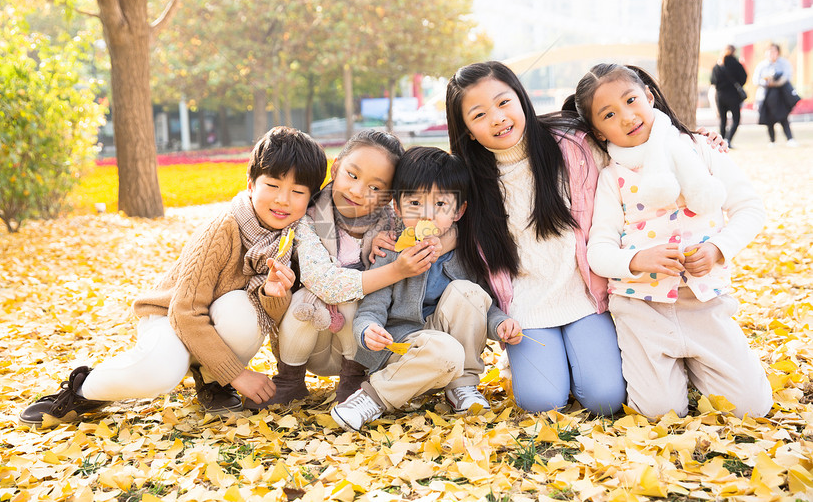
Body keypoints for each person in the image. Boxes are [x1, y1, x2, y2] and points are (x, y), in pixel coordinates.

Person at [19, 126, 328, 427]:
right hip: (170, 316)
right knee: (162, 373)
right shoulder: (223, 229)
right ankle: (82, 389)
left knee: (245, 314)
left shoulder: (291, 240)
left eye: (297, 191)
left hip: (213, 322)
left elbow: (268, 318)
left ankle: (211, 380)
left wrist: (274, 296)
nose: (283, 200)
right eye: (272, 185)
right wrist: (238, 374)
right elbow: (185, 311)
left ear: (309, 198)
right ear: (251, 184)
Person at [574, 63, 772, 420]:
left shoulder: (699, 149)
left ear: (649, 97)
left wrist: (717, 249)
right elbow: (598, 251)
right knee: (657, 413)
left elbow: (750, 208)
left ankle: (702, 366)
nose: (627, 116)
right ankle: (672, 373)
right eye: (609, 114)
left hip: (704, 302)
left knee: (751, 408)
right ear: (597, 132)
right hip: (641, 309)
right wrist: (636, 260)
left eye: (632, 100)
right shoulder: (611, 178)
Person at [444, 61, 627, 417]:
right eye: (479, 114)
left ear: (520, 98)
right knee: (542, 402)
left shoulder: (572, 146)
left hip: (584, 296)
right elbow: (422, 205)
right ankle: (552, 364)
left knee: (605, 398)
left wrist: (694, 142)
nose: (497, 118)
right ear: (466, 129)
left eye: (503, 102)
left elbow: (634, 152)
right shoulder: (468, 181)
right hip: (525, 308)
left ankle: (579, 360)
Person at [246, 130, 442, 409]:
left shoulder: (391, 225)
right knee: (306, 300)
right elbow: (322, 281)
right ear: (336, 167)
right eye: (352, 175)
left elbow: (440, 225)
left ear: (389, 198)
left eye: (376, 188)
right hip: (308, 341)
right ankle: (290, 381)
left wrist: (401, 249)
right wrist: (396, 270)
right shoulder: (308, 214)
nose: (358, 191)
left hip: (360, 346)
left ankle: (352, 381)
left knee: (355, 304)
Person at [330, 146, 521, 431]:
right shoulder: (391, 252)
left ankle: (462, 386)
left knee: (468, 292)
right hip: (403, 346)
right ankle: (371, 399)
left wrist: (500, 324)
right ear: (396, 207)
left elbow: (482, 306)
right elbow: (371, 309)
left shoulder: (463, 254)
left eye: (440, 205)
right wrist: (367, 330)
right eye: (415, 204)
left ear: (459, 211)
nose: (426, 216)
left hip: (446, 342)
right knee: (445, 351)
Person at [753, 43, 799, 147]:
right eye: (769, 51)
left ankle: (790, 139)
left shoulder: (784, 63)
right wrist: (767, 81)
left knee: (784, 117)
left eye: (774, 51)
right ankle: (772, 140)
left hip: (781, 95)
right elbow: (756, 80)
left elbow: (788, 76)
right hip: (766, 95)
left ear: (778, 52)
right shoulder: (762, 65)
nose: (772, 53)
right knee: (769, 119)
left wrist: (777, 81)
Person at [710, 44, 747, 148]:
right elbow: (744, 78)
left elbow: (713, 81)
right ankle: (728, 139)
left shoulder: (717, 65)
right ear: (734, 52)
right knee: (736, 119)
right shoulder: (736, 64)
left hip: (720, 95)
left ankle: (720, 141)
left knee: (723, 120)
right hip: (733, 96)